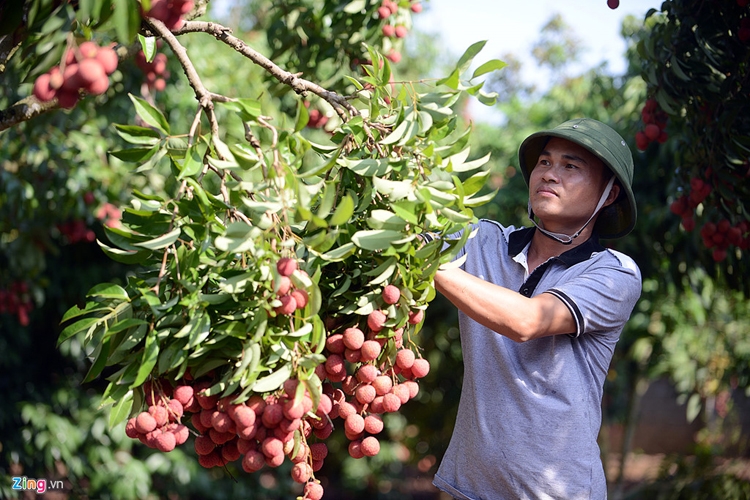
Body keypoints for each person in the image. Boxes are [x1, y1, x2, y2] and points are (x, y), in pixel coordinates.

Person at [430, 118, 642, 500]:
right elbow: (411, 234)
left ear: (609, 195)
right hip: (467, 489)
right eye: (544, 162)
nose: (549, 175)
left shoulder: (614, 272)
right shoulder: (483, 242)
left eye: (570, 166)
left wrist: (426, 264)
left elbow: (527, 320)